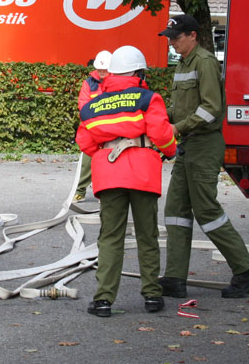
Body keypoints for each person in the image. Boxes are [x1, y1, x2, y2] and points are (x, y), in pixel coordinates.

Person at [158, 14, 249, 299]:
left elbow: (211, 108)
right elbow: (180, 107)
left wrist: (177, 128)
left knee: (206, 211)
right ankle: (175, 278)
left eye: (176, 38)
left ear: (193, 36)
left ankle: (246, 271)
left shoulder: (204, 62)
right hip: (188, 146)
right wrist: (157, 118)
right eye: (169, 38)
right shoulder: (182, 64)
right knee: (176, 211)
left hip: (204, 145)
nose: (172, 42)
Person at [76, 45, 177, 317]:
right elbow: (162, 135)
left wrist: (107, 151)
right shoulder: (149, 98)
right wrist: (171, 151)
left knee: (110, 237)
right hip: (144, 174)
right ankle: (152, 296)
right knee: (147, 235)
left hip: (109, 175)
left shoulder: (94, 105)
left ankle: (103, 300)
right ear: (139, 73)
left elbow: (85, 142)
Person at [74, 50, 111, 202]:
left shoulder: (115, 82)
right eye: (99, 69)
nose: (102, 71)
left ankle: (104, 192)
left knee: (109, 161)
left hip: (109, 128)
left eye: (105, 69)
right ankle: (80, 191)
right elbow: (83, 105)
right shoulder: (88, 83)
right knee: (87, 162)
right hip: (92, 128)